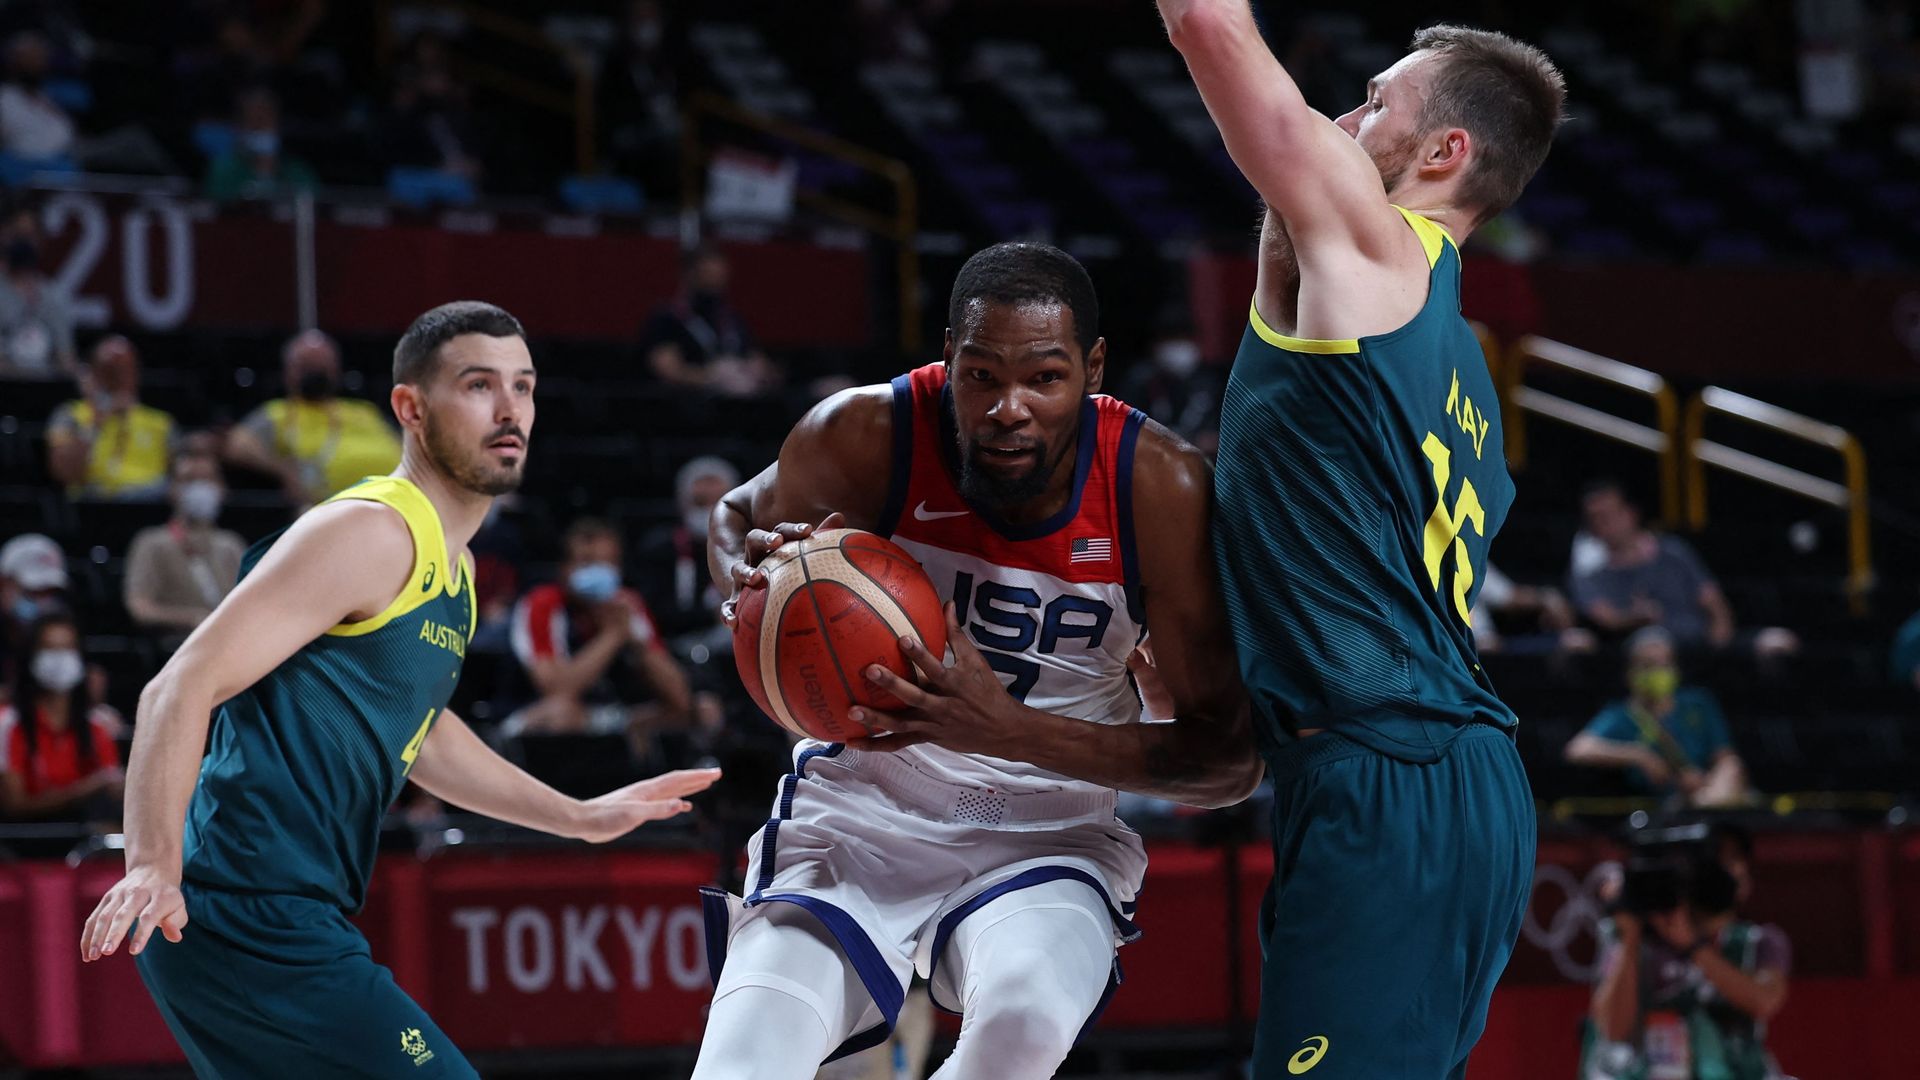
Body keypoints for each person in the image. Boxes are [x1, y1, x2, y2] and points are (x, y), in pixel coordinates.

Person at [79, 302, 719, 1079]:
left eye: (523, 386)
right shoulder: (369, 532)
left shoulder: (457, 573)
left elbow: (422, 733)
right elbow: (178, 685)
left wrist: (578, 817)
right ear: (410, 408)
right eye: (479, 385)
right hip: (240, 909)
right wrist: (152, 865)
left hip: (280, 913)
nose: (509, 408)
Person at [691, 242, 1259, 1078]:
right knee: (742, 1063)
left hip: (1050, 830)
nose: (1008, 408)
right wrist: (754, 585)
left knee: (1020, 1028)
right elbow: (738, 515)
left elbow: (1230, 762)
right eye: (982, 376)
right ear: (949, 359)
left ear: (1094, 369)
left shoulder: (1158, 487)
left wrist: (1006, 729)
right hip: (866, 807)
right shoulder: (865, 432)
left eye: (1044, 378)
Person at [1164, 5, 1564, 1075]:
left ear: (1444, 153)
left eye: (1376, 102)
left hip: (1388, 772)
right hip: (1444, 772)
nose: (1343, 119)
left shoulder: (1377, 259)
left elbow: (1207, 24)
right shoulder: (1456, 367)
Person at [1584, 824, 1790, 1080]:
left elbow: (1763, 1001)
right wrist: (1630, 941)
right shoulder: (1631, 937)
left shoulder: (1757, 941)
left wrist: (1692, 945)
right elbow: (1612, 1030)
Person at [507, 517, 694, 741]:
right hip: (533, 714)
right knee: (560, 714)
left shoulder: (627, 605)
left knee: (699, 710)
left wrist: (639, 645)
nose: (599, 571)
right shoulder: (541, 604)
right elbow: (555, 690)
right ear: (564, 568)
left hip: (612, 712)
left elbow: (680, 696)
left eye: (608, 563)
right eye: (587, 562)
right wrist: (612, 635)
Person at [1571, 481, 1798, 659]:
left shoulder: (1673, 550)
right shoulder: (1588, 567)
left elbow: (1714, 602)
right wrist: (1634, 618)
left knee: (1779, 641)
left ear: (1630, 513)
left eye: (1607, 516)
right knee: (1654, 649)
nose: (1602, 525)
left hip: (1697, 642)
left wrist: (1719, 643)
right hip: (1643, 650)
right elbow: (1605, 617)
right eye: (1594, 519)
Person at [1565, 628, 1751, 807]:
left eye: (1664, 664)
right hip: (1663, 805)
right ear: (1630, 672)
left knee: (1731, 766)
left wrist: (1707, 784)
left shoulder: (1698, 703)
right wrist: (1638, 755)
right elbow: (1578, 749)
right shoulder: (1620, 715)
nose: (1657, 672)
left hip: (1710, 789)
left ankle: (1705, 807)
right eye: (1648, 665)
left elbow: (1724, 755)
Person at [223, 329, 404, 506]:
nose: (315, 372)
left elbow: (402, 444)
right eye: (307, 365)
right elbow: (237, 445)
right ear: (289, 371)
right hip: (325, 506)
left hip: (396, 498)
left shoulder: (365, 410)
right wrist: (283, 469)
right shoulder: (279, 413)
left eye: (322, 366)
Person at [0, 611, 123, 823]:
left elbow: (112, 786)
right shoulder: (9, 723)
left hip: (87, 832)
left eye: (67, 649)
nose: (59, 659)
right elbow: (13, 804)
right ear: (31, 656)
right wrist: (82, 790)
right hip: (28, 836)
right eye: (49, 648)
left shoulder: (98, 724)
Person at [123, 453, 246, 640]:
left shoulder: (231, 544)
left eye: (207, 479)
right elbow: (139, 607)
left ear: (222, 488)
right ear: (171, 488)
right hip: (177, 643)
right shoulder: (152, 543)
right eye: (189, 479)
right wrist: (191, 618)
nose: (200, 488)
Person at [641, 243, 782, 397]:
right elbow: (668, 370)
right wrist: (713, 378)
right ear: (689, 274)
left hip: (739, 401)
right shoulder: (668, 317)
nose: (715, 282)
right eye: (707, 275)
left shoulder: (732, 319)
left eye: (719, 276)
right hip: (690, 403)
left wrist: (760, 372)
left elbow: (757, 359)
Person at [46, 335, 178, 499]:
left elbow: (177, 481)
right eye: (110, 371)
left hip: (147, 504)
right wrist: (95, 423)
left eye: (125, 370)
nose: (118, 379)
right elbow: (64, 473)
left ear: (135, 373)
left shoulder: (161, 422)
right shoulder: (70, 414)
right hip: (92, 503)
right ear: (93, 374)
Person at [639, 455, 740, 642]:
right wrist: (708, 615)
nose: (710, 510)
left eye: (718, 501)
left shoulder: (748, 546)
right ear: (683, 503)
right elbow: (655, 614)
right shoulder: (661, 549)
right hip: (678, 644)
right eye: (700, 502)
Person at [203, 84, 318, 202]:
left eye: (264, 120)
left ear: (279, 124)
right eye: (251, 120)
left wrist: (268, 167)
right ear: (238, 128)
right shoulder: (224, 171)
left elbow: (313, 203)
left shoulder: (298, 171)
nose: (258, 127)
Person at [0, 203, 77, 377]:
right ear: (4, 235)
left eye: (29, 235)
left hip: (44, 389)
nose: (23, 242)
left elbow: (66, 359)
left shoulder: (54, 296)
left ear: (41, 240)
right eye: (17, 235)